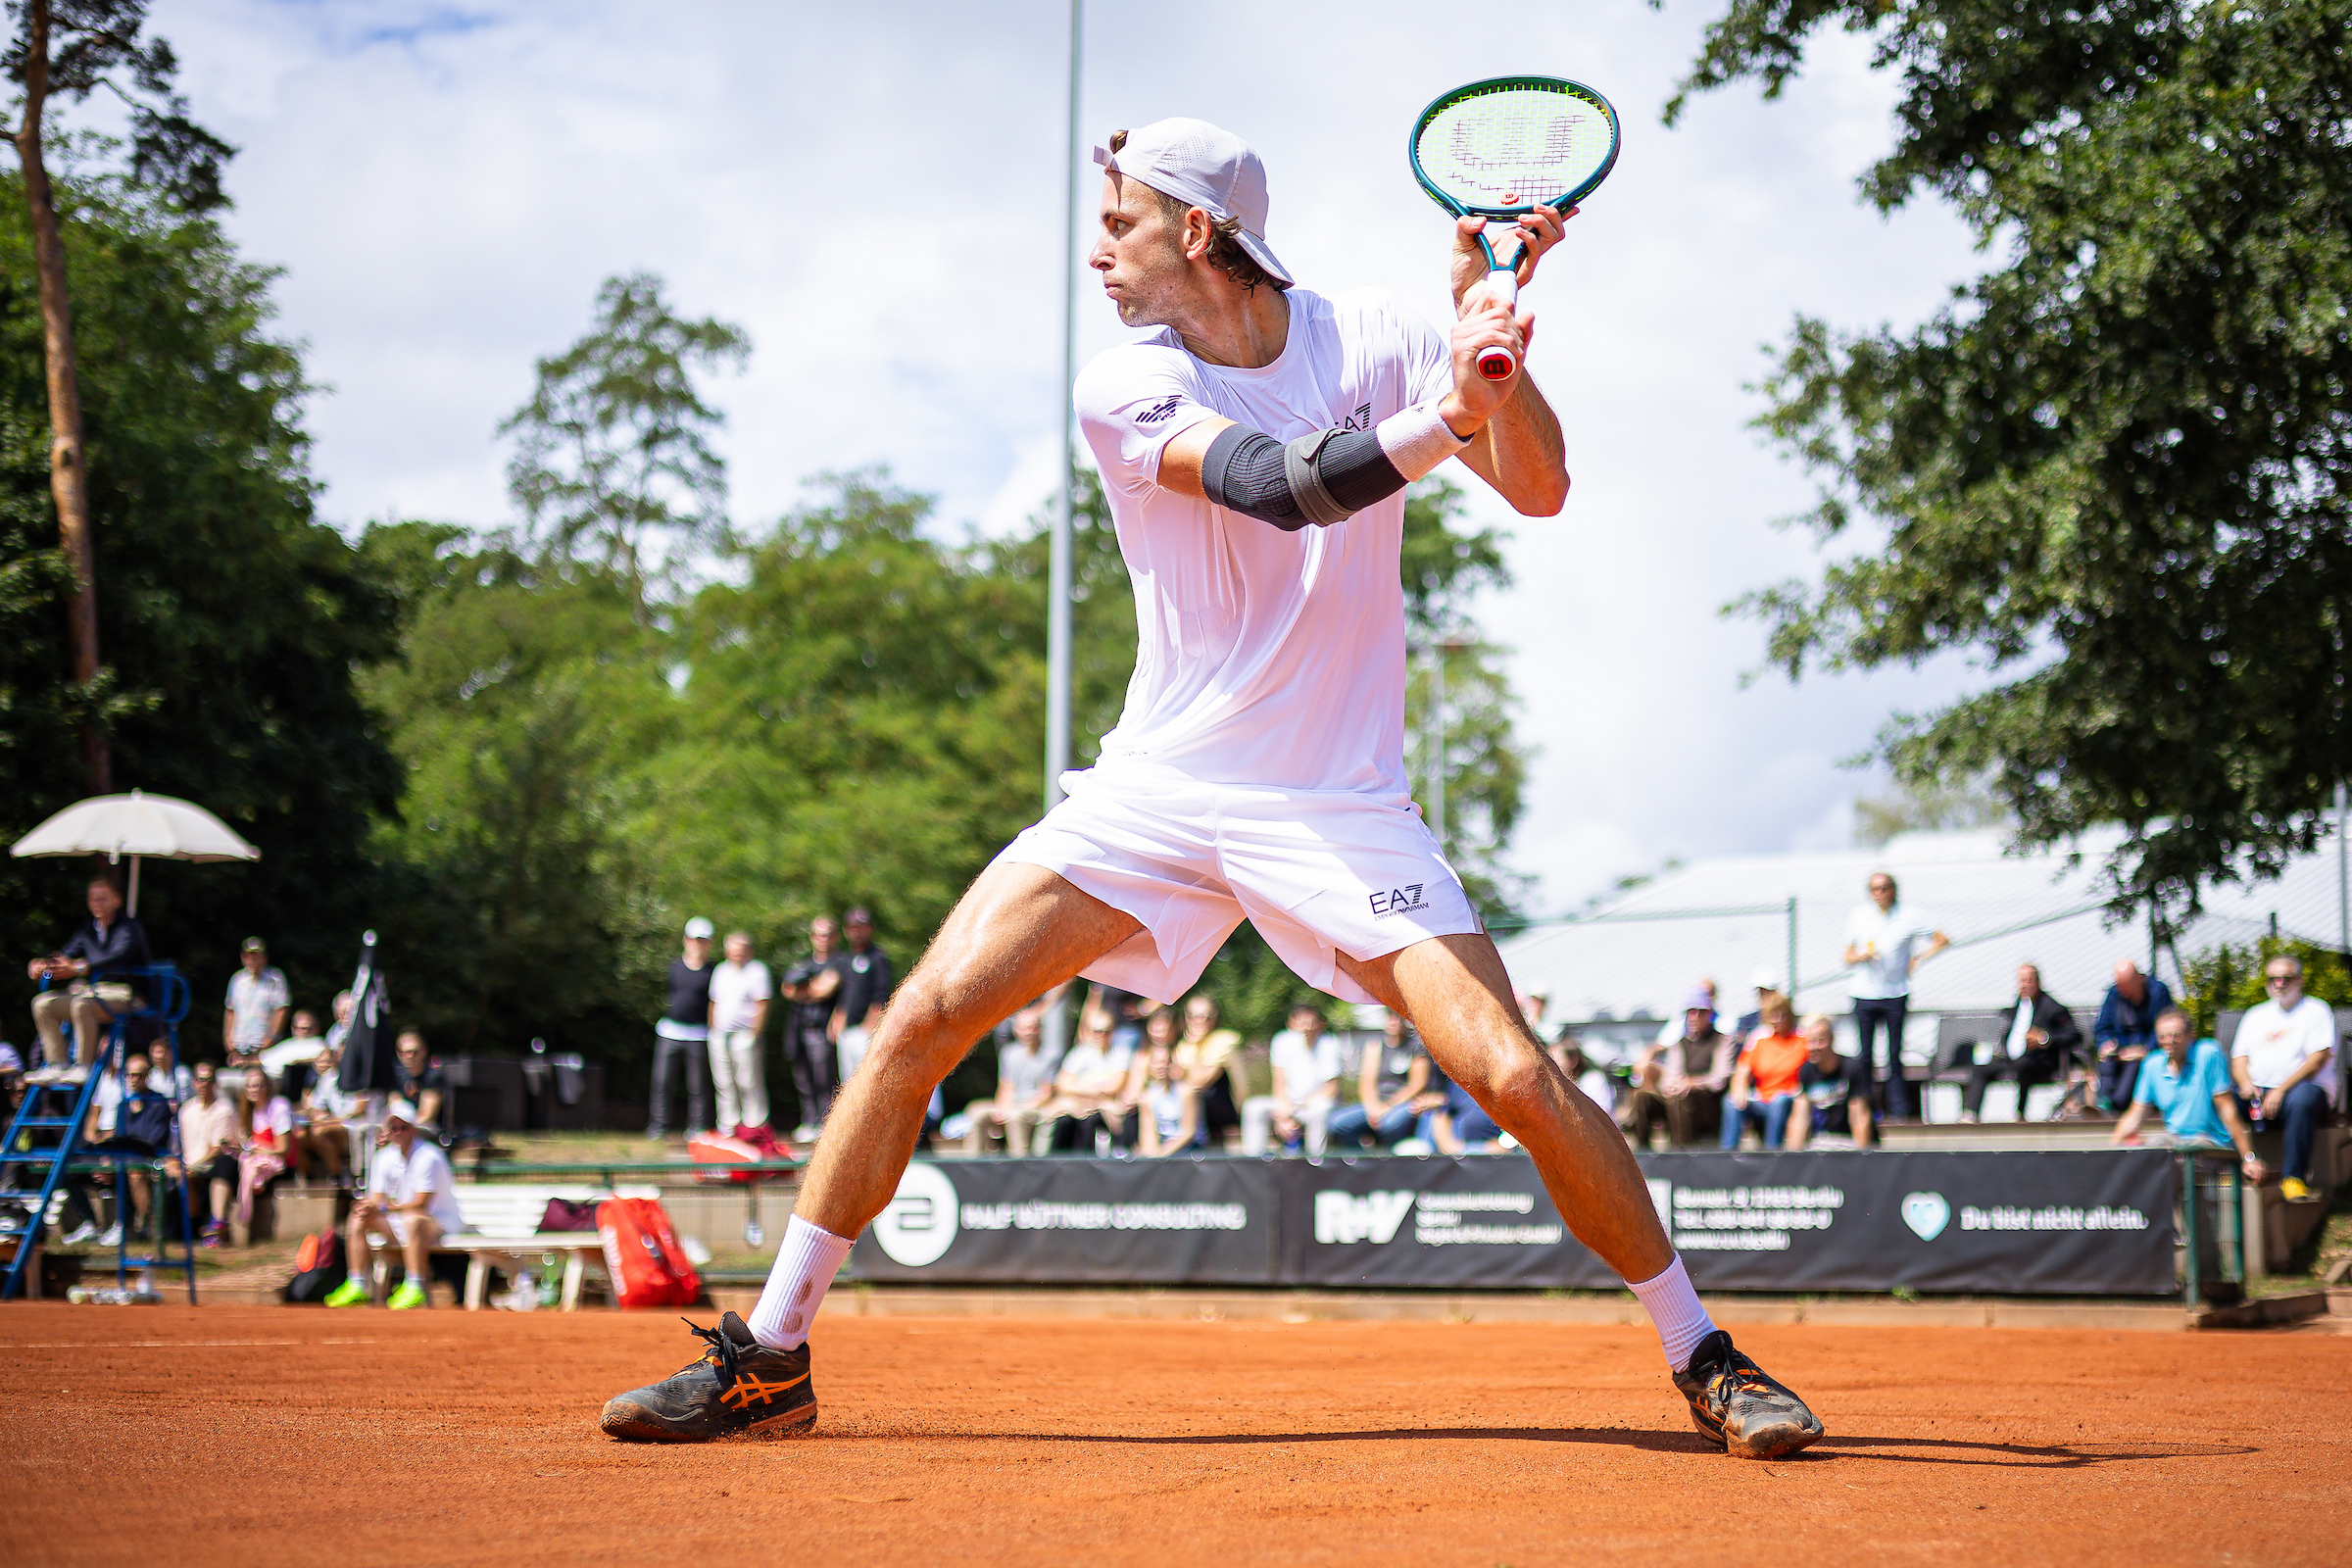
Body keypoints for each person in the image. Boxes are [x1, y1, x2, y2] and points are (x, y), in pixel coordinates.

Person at [597, 115, 1820, 1458]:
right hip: (1161, 791)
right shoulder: (1122, 383)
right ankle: (770, 1355)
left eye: (1116, 221)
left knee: (1516, 1074)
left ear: (1193, 230)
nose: (1094, 250)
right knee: (916, 1023)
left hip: (1339, 803)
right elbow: (1280, 488)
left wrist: (1489, 346)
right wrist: (1445, 416)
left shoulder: (1382, 334)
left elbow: (1538, 485)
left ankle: (1703, 1353)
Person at [323, 1099, 466, 1309]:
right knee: (358, 1217)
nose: (398, 1132)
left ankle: (415, 1286)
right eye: (393, 1128)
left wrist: (382, 1207)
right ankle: (357, 1284)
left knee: (412, 1221)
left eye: (404, 1127)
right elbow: (376, 1196)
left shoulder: (429, 1157)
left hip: (442, 1224)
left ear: (414, 1129)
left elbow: (421, 1204)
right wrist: (366, 1206)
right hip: (404, 1223)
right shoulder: (383, 1157)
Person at [1840, 871, 1948, 1135]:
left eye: (1884, 888)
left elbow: (1942, 939)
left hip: (1895, 994)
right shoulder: (1859, 915)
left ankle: (1898, 1111)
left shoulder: (1909, 915)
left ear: (1893, 890)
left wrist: (1918, 959)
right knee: (1865, 1055)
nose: (1880, 893)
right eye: (1875, 888)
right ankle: (1865, 1107)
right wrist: (1862, 956)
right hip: (1864, 994)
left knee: (1894, 1055)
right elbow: (1847, 955)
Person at [2113, 1008, 2265, 1184]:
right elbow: (2135, 1115)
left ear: (2189, 1035)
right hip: (2176, 1142)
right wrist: (2112, 1152)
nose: (2169, 1042)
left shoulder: (2208, 1054)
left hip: (2211, 1142)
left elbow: (2226, 1109)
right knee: (2152, 1148)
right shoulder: (2152, 1064)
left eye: (2175, 1036)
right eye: (2162, 1037)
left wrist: (2248, 1158)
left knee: (2185, 1155)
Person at [2230, 954, 2337, 1201]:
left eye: (2286, 978)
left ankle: (2293, 1180)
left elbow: (2316, 1060)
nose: (2279, 984)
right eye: (2273, 979)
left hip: (2304, 1089)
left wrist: (2280, 1090)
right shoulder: (2255, 1015)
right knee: (2223, 1100)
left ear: (2299, 980)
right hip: (2259, 1094)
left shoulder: (2316, 1010)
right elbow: (2239, 1061)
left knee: (2301, 1100)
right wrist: (2246, 1084)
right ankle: (2234, 1168)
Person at [25, 874, 149, 1085]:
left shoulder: (129, 928)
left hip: (127, 993)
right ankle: (56, 1064)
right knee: (42, 1004)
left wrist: (80, 967)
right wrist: (44, 965)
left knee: (83, 1003)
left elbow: (117, 956)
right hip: (94, 993)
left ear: (117, 900)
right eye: (93, 899)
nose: (97, 904)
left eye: (103, 899)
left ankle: (84, 1065)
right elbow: (67, 955)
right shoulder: (87, 930)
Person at [70, 1053, 173, 1247]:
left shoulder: (159, 1104)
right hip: (121, 1162)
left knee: (133, 1171)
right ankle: (90, 1223)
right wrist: (108, 1162)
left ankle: (138, 1227)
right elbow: (119, 1139)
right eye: (129, 1074)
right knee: (72, 1171)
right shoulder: (123, 1105)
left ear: (148, 1076)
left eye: (138, 1075)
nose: (133, 1079)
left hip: (147, 1163)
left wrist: (117, 1164)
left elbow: (150, 1144)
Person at [1963, 963, 2082, 1121]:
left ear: (2038, 982)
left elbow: (2074, 1034)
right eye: (2022, 981)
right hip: (2012, 1058)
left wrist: (2044, 1039)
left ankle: (2019, 1113)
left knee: (2023, 1065)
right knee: (1980, 1069)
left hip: (2041, 1061)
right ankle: (1971, 1114)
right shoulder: (2017, 1006)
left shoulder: (2052, 1007)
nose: (2025, 985)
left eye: (2029, 981)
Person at [1621, 989, 1737, 1150]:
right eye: (1690, 1012)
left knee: (1681, 1096)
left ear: (1709, 1014)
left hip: (1707, 1103)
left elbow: (1719, 1078)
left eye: (1699, 1012)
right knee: (1642, 1097)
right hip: (1677, 1097)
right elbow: (1670, 1077)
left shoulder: (1723, 1040)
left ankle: (1679, 1155)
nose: (1694, 1017)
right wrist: (1673, 1085)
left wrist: (1692, 1083)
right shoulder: (1679, 1043)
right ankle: (1641, 1156)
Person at [1328, 1012, 1444, 1150]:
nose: (1393, 1021)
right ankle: (1365, 1160)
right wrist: (1373, 1108)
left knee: (1390, 1125)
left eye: (1398, 1018)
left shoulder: (1415, 1046)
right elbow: (1367, 1083)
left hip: (1403, 1103)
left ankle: (1391, 1159)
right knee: (1337, 1123)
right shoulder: (1375, 1046)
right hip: (1376, 1104)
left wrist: (1387, 1106)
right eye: (1390, 1017)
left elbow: (1417, 1085)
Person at [958, 1005, 1061, 1155]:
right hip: (1012, 1105)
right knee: (976, 1111)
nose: (1028, 1032)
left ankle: (1018, 1162)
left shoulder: (1051, 1055)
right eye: (1023, 1028)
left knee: (1015, 1117)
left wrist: (1015, 1109)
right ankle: (973, 1162)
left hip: (1035, 1107)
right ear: (1016, 1030)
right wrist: (1002, 1109)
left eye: (1032, 1028)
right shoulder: (1008, 1053)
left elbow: (1046, 1094)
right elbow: (1006, 1087)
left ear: (1039, 1029)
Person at [649, 917, 716, 1143]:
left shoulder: (713, 971)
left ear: (709, 943)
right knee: (661, 1081)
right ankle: (658, 1126)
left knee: (697, 1086)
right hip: (669, 1032)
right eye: (694, 939)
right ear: (686, 940)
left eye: (703, 940)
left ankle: (697, 1128)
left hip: (698, 1034)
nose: (698, 944)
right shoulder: (674, 966)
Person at [1243, 1002, 1339, 1156]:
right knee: (1253, 1107)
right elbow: (1279, 1082)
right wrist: (1283, 1114)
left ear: (1320, 1024)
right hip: (1288, 1104)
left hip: (1311, 1105)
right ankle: (1252, 1161)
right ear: (1291, 1023)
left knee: (1320, 1111)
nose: (1307, 1027)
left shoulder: (1328, 1044)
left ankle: (1316, 1161)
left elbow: (1331, 1089)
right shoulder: (1281, 1041)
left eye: (1311, 1023)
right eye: (1302, 1022)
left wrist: (1295, 1108)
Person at [780, 916, 846, 1139]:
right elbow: (786, 990)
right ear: (811, 937)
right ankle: (809, 1121)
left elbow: (822, 991)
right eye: (818, 934)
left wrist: (802, 990)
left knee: (824, 1080)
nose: (822, 939)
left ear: (835, 937)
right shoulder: (805, 962)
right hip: (799, 1029)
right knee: (803, 1079)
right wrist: (809, 988)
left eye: (827, 934)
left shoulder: (840, 962)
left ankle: (826, 1123)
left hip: (822, 1029)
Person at [1032, 1009, 1134, 1153]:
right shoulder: (1078, 1053)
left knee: (1090, 1120)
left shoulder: (1120, 1054)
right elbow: (1062, 1085)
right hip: (1077, 1107)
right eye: (1097, 1031)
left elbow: (1114, 1087)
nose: (1101, 1035)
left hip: (1101, 1109)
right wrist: (1093, 1090)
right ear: (1088, 1031)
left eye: (1106, 1031)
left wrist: (1079, 1088)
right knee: (1061, 1122)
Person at [708, 932, 774, 1140]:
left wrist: (754, 1034)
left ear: (749, 950)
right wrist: (713, 1029)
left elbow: (762, 1004)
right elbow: (714, 1001)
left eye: (740, 950)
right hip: (720, 1035)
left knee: (748, 1080)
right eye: (733, 950)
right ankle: (728, 1126)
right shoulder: (720, 970)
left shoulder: (757, 971)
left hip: (744, 1034)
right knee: (724, 1082)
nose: (736, 954)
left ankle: (754, 1125)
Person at [1721, 992, 1807, 1151]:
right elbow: (1742, 1071)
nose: (1776, 1020)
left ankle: (1772, 1154)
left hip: (1789, 1097)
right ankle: (1728, 1154)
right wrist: (1739, 1089)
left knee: (1779, 1101)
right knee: (1731, 1101)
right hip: (1762, 1099)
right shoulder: (1759, 1039)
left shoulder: (1801, 1040)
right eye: (1772, 1016)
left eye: (1780, 1015)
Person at [173, 1062, 241, 1246]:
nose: (203, 1084)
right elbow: (178, 1145)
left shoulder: (224, 1109)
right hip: (190, 1163)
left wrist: (189, 1166)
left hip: (213, 1163)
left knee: (221, 1166)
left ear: (214, 1083)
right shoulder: (186, 1110)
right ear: (193, 1082)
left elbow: (218, 1149)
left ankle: (215, 1225)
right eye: (199, 1079)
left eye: (208, 1080)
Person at [2092, 960, 2174, 1112]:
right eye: (2120, 987)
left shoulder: (2158, 992)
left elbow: (2165, 1027)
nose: (2124, 993)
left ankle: (2117, 1106)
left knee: (2135, 1065)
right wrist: (2105, 1044)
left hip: (2146, 1050)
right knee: (2107, 1061)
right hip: (2120, 1048)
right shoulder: (2114, 994)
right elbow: (2102, 1028)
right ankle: (2103, 1104)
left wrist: (2145, 1050)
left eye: (2127, 987)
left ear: (2139, 978)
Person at [831, 908, 896, 1088]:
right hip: (846, 1031)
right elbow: (845, 995)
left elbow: (881, 995)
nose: (857, 931)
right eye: (853, 927)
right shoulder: (846, 958)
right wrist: (837, 1020)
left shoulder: (877, 958)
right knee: (847, 1083)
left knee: (866, 1083)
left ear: (870, 928)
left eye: (862, 927)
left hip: (864, 1031)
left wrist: (870, 1027)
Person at [1173, 994, 1244, 1148]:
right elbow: (1175, 1076)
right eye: (1193, 1016)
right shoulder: (1182, 1045)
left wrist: (1195, 1044)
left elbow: (1199, 1081)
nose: (1199, 1021)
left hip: (1221, 1113)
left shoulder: (1224, 1040)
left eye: (1206, 1016)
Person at [233, 1065, 292, 1234]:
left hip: (277, 1162)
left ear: (267, 1086)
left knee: (252, 1171)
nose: (255, 1090)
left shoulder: (279, 1106)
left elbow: (283, 1149)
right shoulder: (247, 1111)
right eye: (250, 1086)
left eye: (259, 1085)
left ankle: (244, 1217)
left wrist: (257, 1150)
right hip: (254, 1159)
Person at [290, 1046, 356, 1182]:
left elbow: (360, 1109)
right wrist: (317, 1115)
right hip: (334, 1123)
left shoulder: (360, 1075)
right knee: (298, 1135)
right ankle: (308, 1178)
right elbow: (315, 1106)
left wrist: (328, 1121)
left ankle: (336, 1176)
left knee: (319, 1131)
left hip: (353, 1125)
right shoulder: (329, 1077)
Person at [222, 937, 289, 1066]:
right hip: (239, 1046)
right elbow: (230, 1010)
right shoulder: (237, 980)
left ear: (264, 957)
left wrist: (271, 1037)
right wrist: (227, 1038)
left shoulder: (275, 978)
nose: (252, 960)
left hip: (263, 1045)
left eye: (256, 956)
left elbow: (282, 1009)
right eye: (248, 956)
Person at [1794, 1015, 1852, 1148]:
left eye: (1820, 1041)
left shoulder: (1851, 1068)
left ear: (1832, 1039)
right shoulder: (1806, 1070)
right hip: (1819, 1142)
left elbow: (1859, 1117)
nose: (1814, 1047)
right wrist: (1792, 1159)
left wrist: (1863, 1158)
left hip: (1848, 1142)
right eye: (1810, 1041)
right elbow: (1799, 1118)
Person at [391, 1031, 447, 1134]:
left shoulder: (432, 1077)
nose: (409, 1056)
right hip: (403, 1126)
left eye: (414, 1052)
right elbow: (393, 1107)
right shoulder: (398, 1076)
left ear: (424, 1051)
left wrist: (403, 1128)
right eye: (403, 1052)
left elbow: (427, 1116)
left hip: (426, 1129)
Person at [260, 1008, 330, 1084]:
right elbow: (263, 1057)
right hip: (267, 1077)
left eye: (306, 1028)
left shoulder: (318, 1043)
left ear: (316, 1028)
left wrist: (293, 1062)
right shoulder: (288, 1044)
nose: (303, 1031)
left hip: (291, 1082)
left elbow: (321, 1058)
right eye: (298, 1028)